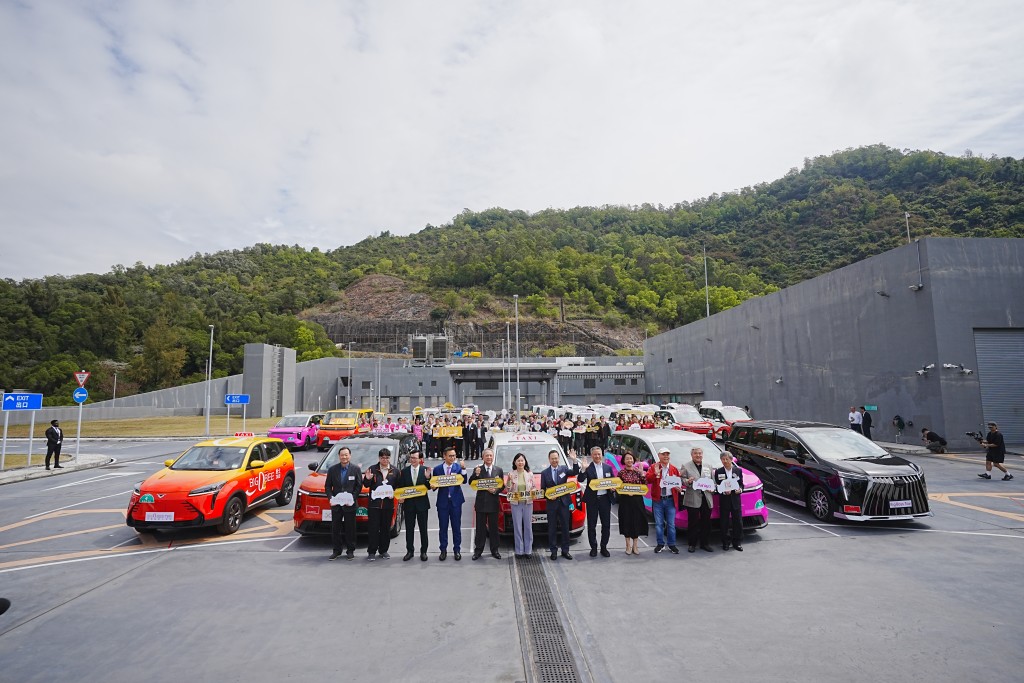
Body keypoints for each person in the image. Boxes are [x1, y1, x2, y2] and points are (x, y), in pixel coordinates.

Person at [540, 448, 581, 560]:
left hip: (564, 503)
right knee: (552, 528)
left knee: (565, 528)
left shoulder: (564, 469)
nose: (555, 460)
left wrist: (574, 460)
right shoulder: (544, 473)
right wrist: (549, 496)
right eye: (552, 459)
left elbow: (575, 472)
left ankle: (565, 550)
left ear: (559, 459)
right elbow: (542, 491)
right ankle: (553, 551)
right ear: (549, 460)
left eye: (556, 458)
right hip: (551, 505)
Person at [325, 447, 362, 560]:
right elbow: (327, 486)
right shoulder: (332, 470)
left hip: (349, 505)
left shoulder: (355, 469)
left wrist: (352, 498)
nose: (344, 457)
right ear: (339, 456)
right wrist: (331, 498)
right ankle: (337, 550)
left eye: (346, 455)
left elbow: (358, 486)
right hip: (336, 505)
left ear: (350, 456)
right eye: (342, 455)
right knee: (335, 528)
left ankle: (350, 550)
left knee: (350, 528)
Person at [363, 448, 399, 560]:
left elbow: (398, 487)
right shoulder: (372, 469)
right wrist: (367, 479)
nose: (385, 460)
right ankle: (371, 552)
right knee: (373, 529)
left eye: (387, 458)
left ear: (390, 458)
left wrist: (394, 494)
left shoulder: (395, 471)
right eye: (382, 457)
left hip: (388, 505)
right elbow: (366, 485)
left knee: (385, 529)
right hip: (374, 505)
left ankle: (383, 551)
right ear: (379, 458)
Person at [432, 447, 467, 560]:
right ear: (444, 456)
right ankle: (443, 550)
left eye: (454, 455)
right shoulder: (437, 469)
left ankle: (457, 550)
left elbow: (464, 480)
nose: (453, 458)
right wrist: (433, 486)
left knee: (456, 527)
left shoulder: (458, 467)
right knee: (443, 527)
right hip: (443, 503)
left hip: (456, 502)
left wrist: (464, 469)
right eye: (450, 456)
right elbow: (434, 485)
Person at [469, 448, 504, 560]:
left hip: (493, 503)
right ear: (483, 457)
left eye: (490, 456)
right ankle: (478, 551)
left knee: (494, 529)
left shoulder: (498, 470)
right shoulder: (478, 469)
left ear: (493, 457)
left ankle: (495, 550)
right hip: (481, 503)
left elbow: (502, 485)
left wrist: (496, 491)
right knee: (480, 529)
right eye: (487, 456)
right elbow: (471, 483)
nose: (489, 457)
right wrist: (476, 475)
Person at [579, 446, 614, 557]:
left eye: (599, 454)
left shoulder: (608, 468)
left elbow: (613, 482)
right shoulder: (588, 467)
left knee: (606, 525)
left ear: (602, 455)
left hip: (605, 499)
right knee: (591, 525)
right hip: (592, 500)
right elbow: (580, 479)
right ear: (591, 455)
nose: (597, 456)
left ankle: (604, 547)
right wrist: (583, 469)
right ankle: (593, 547)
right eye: (595, 454)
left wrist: (613, 488)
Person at [645, 447, 681, 554]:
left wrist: (678, 488)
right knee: (659, 524)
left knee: (671, 524)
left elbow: (677, 483)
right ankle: (660, 544)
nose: (666, 456)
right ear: (659, 456)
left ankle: (672, 544)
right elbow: (648, 480)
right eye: (663, 454)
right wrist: (655, 474)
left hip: (670, 500)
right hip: (658, 500)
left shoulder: (674, 469)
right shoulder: (654, 467)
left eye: (667, 454)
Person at [397, 449, 431, 561]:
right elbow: (401, 487)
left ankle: (424, 551)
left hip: (422, 505)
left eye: (415, 458)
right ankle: (410, 551)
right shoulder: (405, 471)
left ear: (420, 459)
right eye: (411, 458)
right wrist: (400, 497)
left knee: (423, 529)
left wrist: (427, 478)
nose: (413, 460)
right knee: (409, 529)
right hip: (409, 505)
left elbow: (429, 487)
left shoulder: (425, 470)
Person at [681, 446, 715, 553]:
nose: (698, 455)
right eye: (696, 453)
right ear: (692, 455)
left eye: (700, 453)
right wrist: (688, 481)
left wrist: (712, 487)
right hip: (693, 498)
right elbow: (682, 480)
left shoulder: (708, 466)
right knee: (693, 523)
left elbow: (713, 482)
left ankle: (705, 544)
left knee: (706, 522)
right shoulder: (685, 466)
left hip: (706, 497)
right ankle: (692, 544)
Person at [616, 452, 649, 555]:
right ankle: (627, 546)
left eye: (631, 458)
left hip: (637, 501)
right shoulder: (621, 473)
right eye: (627, 459)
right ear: (624, 461)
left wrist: (642, 473)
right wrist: (626, 492)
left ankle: (635, 546)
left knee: (636, 521)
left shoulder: (638, 472)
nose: (629, 460)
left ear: (633, 460)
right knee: (626, 521)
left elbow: (644, 484)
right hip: (625, 501)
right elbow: (618, 487)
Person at [505, 453, 536, 558]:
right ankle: (519, 550)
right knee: (517, 527)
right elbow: (508, 488)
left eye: (522, 460)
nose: (520, 462)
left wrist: (534, 492)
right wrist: (509, 480)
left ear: (525, 462)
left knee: (528, 526)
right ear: (515, 462)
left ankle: (528, 550)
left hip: (528, 503)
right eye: (518, 460)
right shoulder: (511, 474)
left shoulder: (530, 474)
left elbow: (534, 487)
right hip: (516, 504)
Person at [714, 451, 745, 551]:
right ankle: (725, 543)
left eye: (727, 459)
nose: (725, 461)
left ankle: (737, 542)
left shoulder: (738, 470)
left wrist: (739, 490)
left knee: (738, 522)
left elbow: (741, 484)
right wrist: (723, 491)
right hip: (725, 500)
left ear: (731, 460)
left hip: (735, 500)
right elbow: (717, 486)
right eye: (723, 459)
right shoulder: (718, 472)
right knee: (724, 522)